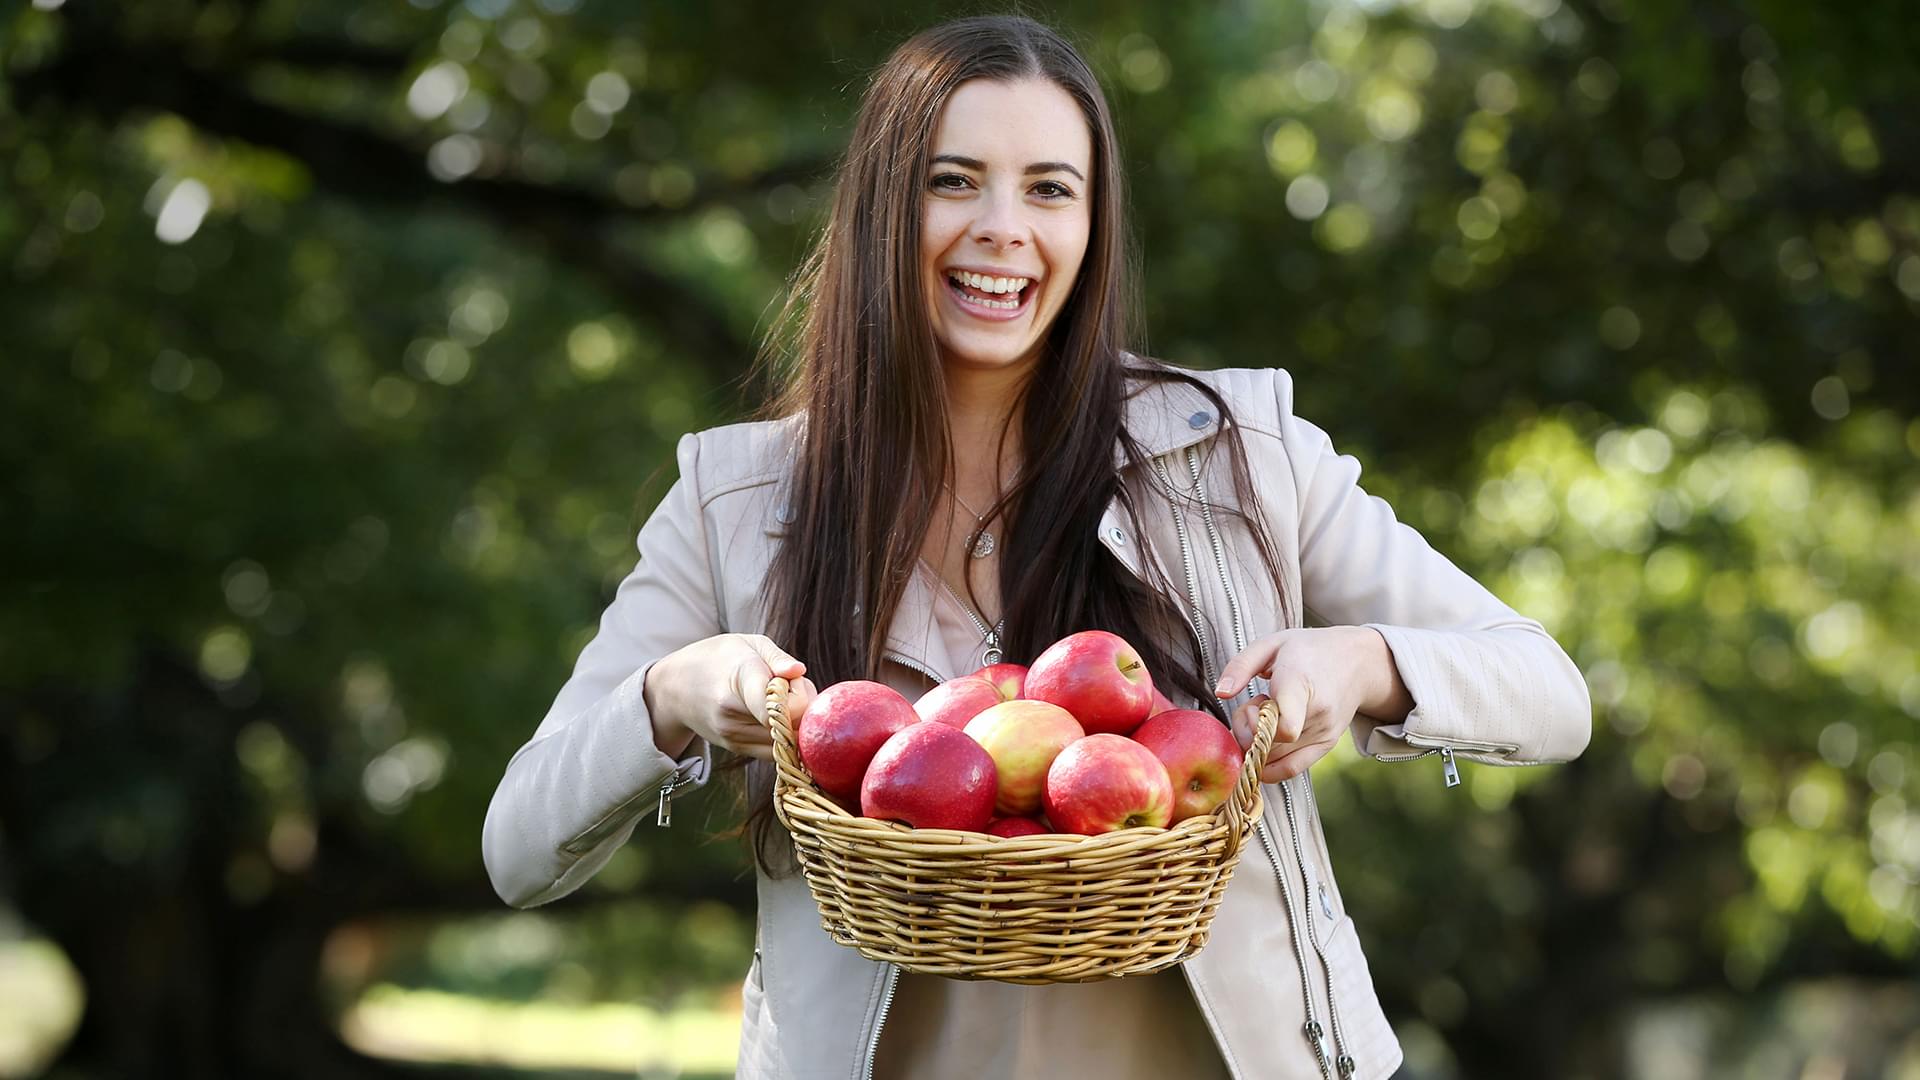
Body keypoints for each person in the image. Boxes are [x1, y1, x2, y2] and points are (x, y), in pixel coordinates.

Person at [482, 14, 1591, 1080]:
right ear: (880, 208)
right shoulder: (738, 498)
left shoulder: (1240, 448)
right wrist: (672, 695)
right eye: (951, 180)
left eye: (1050, 189)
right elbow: (520, 846)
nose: (1003, 227)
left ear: (1092, 227)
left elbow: (1548, 689)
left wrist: (1362, 665)